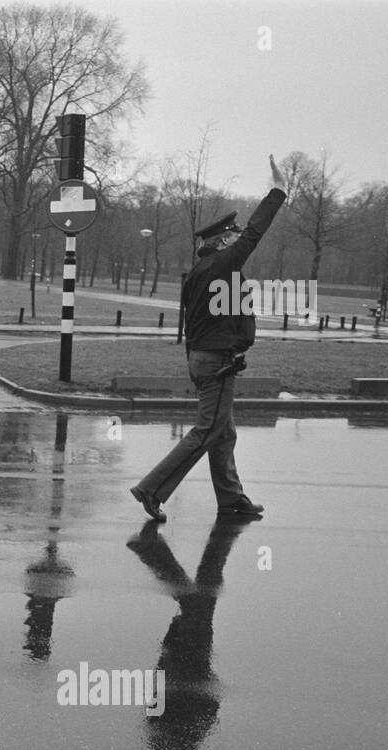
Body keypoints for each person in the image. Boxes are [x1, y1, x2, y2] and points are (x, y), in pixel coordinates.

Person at [130, 156, 289, 522]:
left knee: (223, 432)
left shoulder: (203, 272)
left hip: (208, 359)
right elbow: (255, 232)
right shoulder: (220, 265)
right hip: (214, 363)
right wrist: (277, 192)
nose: (238, 240)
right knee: (207, 431)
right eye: (232, 237)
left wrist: (229, 348)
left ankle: (231, 498)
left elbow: (210, 321)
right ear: (222, 242)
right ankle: (152, 489)